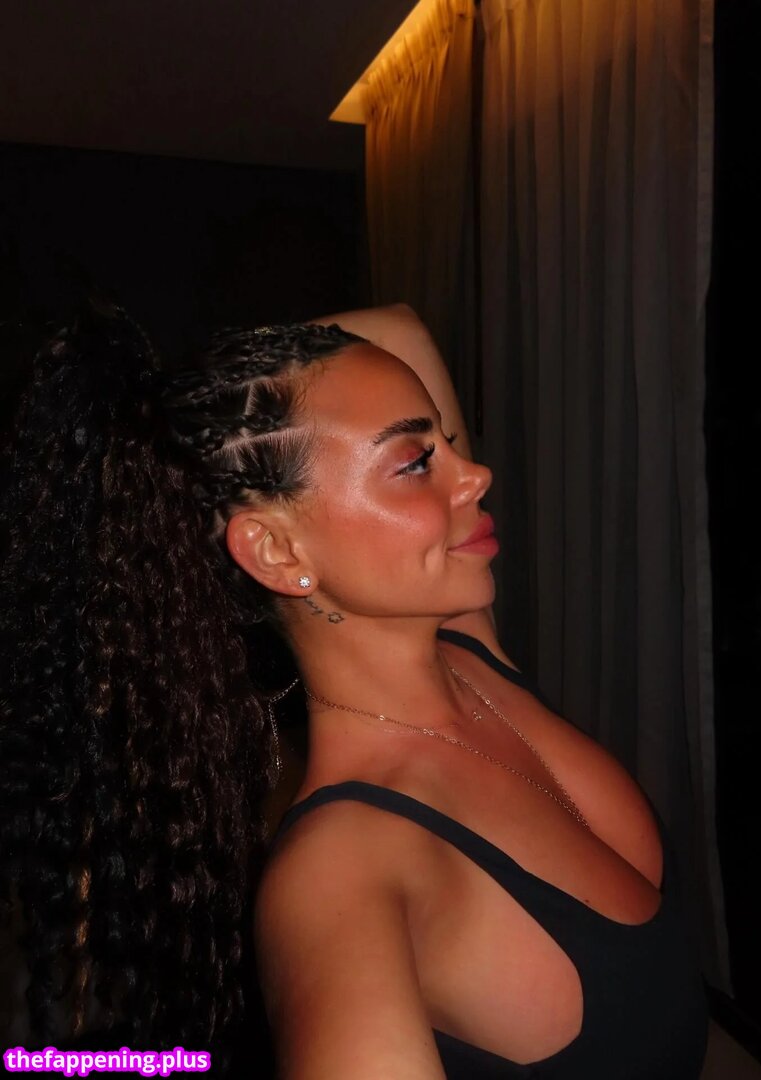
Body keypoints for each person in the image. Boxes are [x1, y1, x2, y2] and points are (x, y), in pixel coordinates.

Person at [0, 301, 708, 1078]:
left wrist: (191, 422)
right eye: (414, 462)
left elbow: (398, 327)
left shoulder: (465, 650)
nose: (475, 475)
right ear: (277, 552)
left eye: (445, 442)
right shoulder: (341, 876)